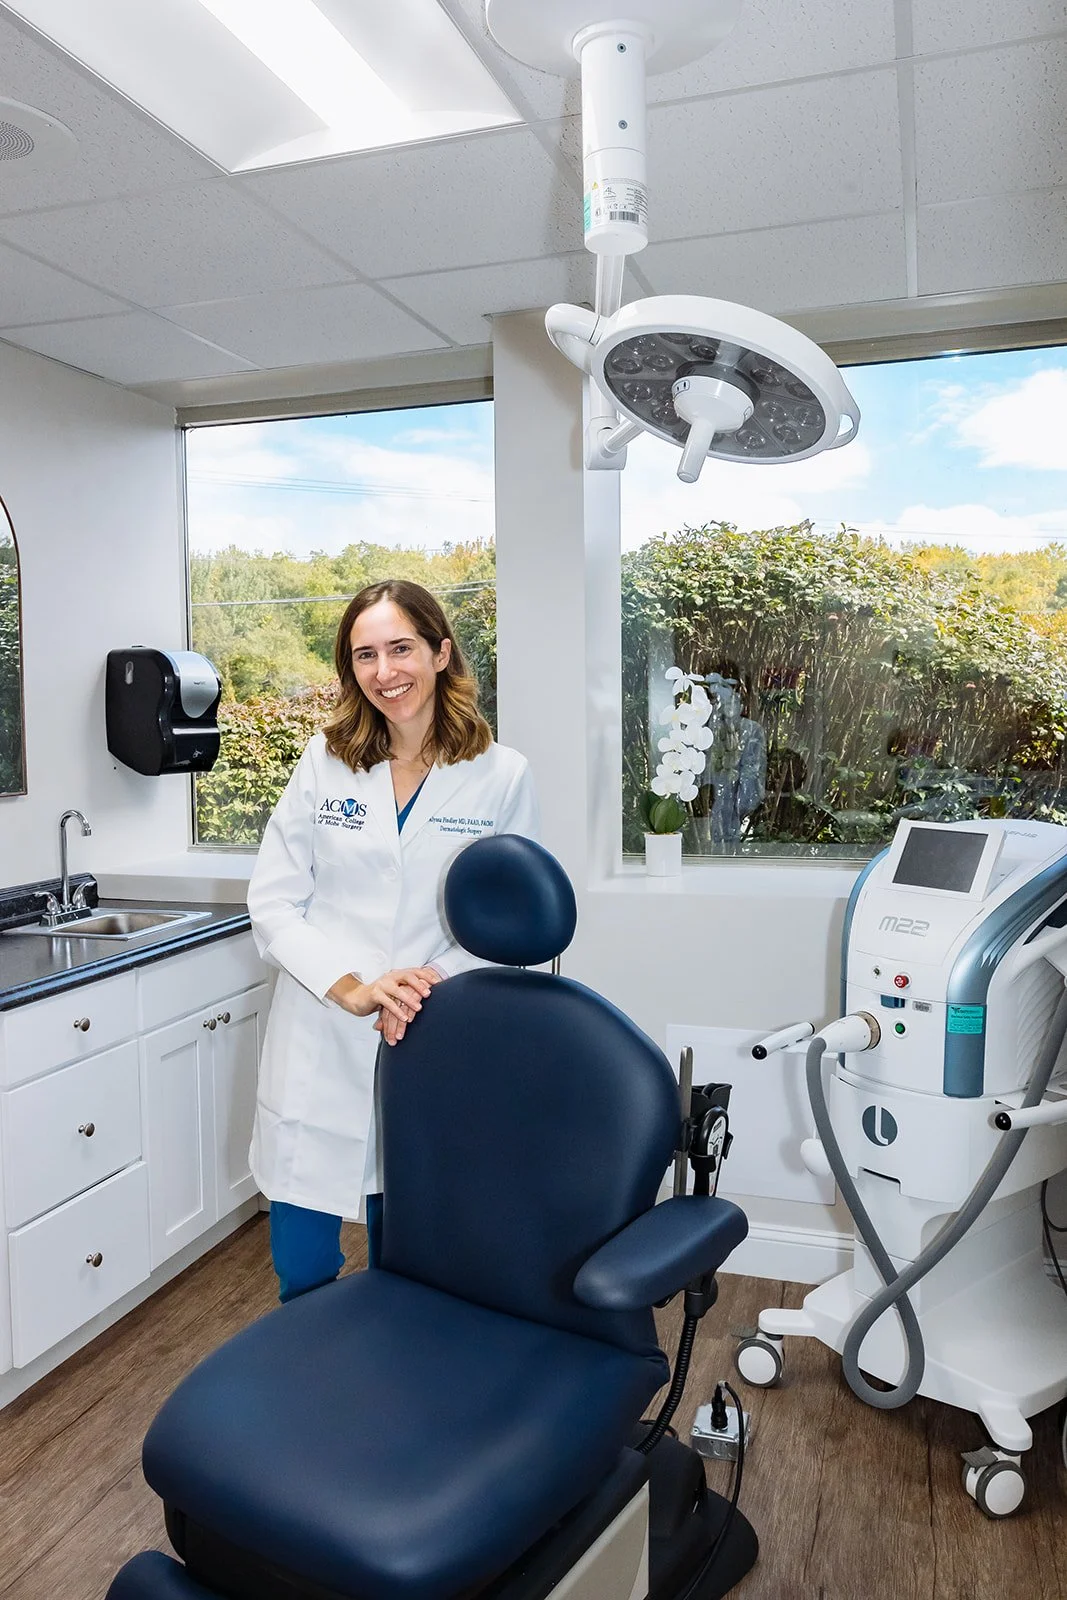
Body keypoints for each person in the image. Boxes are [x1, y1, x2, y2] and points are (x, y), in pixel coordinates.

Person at [246, 579, 540, 1302]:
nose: (385, 672)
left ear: (441, 652)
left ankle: (393, 1395)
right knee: (302, 1261)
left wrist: (417, 983)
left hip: (427, 1023)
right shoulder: (325, 760)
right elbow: (275, 900)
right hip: (322, 1026)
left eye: (401, 648)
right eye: (365, 655)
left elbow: (508, 920)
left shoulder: (500, 776)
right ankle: (307, 1393)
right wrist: (350, 987)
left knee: (407, 1248)